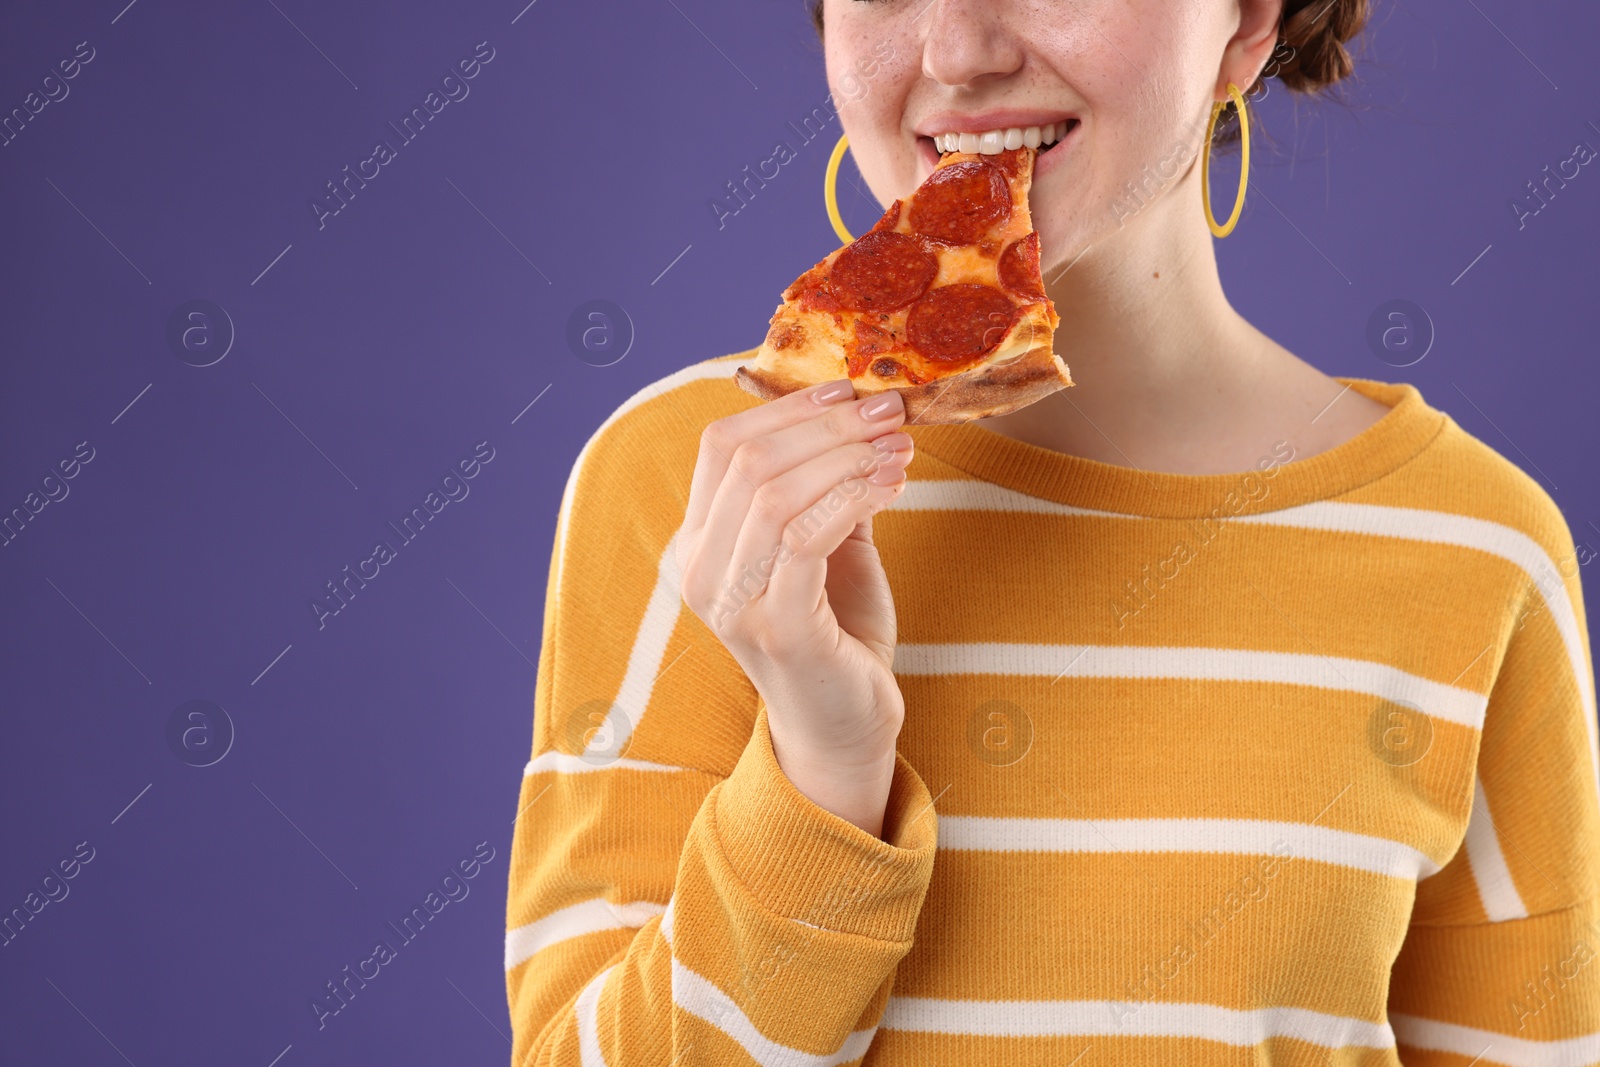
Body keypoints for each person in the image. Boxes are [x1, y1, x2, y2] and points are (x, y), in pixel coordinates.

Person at [506, 0, 1600, 1062]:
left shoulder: (1479, 547)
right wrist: (823, 771)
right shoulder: (691, 483)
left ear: (1249, 20)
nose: (957, 47)